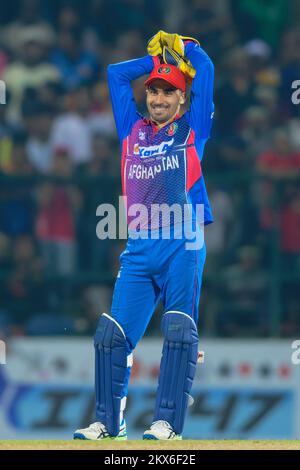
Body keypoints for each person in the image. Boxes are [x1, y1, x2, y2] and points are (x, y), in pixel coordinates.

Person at [74, 31, 214, 440]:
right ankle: (108, 421)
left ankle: (167, 423)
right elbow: (116, 74)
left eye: (168, 92)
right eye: (153, 91)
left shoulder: (193, 131)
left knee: (177, 329)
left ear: (183, 100)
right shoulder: (130, 130)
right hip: (138, 248)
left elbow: (205, 70)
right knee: (111, 337)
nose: (158, 99)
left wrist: (187, 48)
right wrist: (154, 61)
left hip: (182, 244)